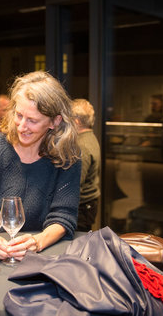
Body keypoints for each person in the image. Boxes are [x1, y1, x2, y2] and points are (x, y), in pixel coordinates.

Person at [0, 71, 81, 262]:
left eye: (32, 120)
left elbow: (64, 216)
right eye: (18, 115)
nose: (21, 126)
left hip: (46, 258)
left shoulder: (67, 157)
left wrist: (38, 241)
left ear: (55, 121)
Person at [71, 98, 101, 232]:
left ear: (76, 121)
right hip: (89, 204)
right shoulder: (91, 137)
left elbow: (76, 185)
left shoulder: (81, 146)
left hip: (82, 207)